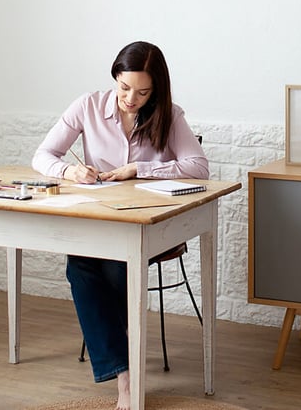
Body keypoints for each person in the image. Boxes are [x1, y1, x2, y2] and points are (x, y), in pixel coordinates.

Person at [32, 41, 208, 410]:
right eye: (125, 88)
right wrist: (70, 170)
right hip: (100, 223)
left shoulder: (169, 115)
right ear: (115, 77)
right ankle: (126, 378)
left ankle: (122, 365)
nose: (131, 98)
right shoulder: (87, 107)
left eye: (143, 92)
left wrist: (139, 169)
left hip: (152, 228)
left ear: (155, 89)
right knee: (80, 264)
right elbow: (43, 155)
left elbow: (198, 167)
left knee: (114, 265)